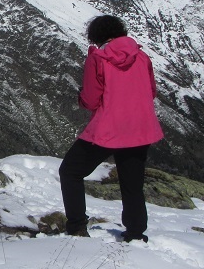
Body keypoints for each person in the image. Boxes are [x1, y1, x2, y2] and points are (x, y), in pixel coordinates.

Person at [59, 15, 163, 242]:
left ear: (96, 37)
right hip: (140, 128)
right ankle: (136, 234)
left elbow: (92, 99)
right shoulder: (142, 56)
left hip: (108, 129)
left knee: (70, 171)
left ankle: (76, 227)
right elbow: (151, 91)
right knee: (132, 184)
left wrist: (81, 99)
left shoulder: (98, 58)